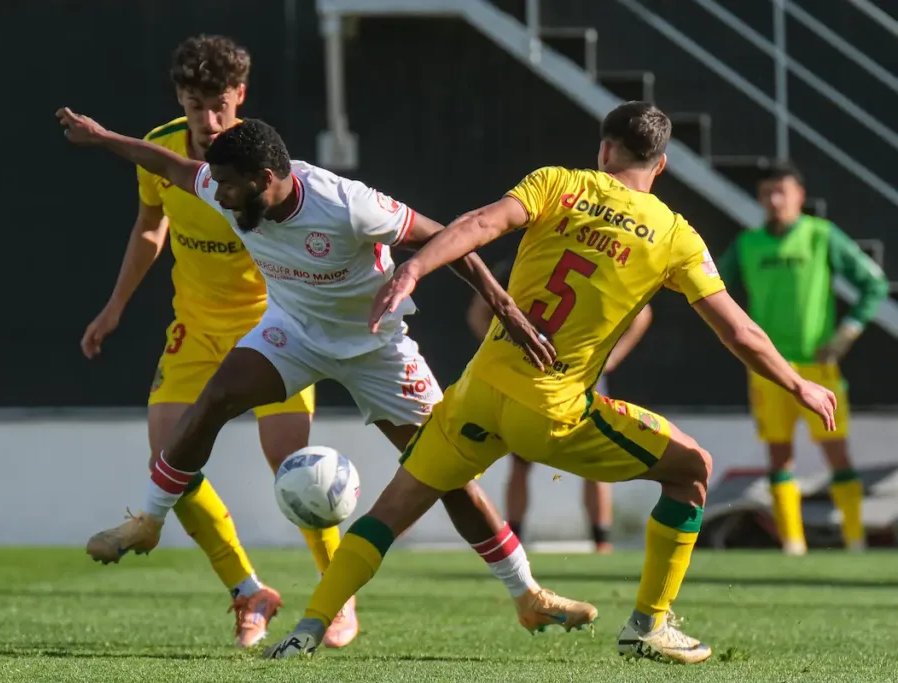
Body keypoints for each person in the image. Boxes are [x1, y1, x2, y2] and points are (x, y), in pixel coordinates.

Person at [262, 101, 837, 665]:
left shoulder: (556, 183)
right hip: (551, 412)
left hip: (477, 393)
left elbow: (478, 225)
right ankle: (648, 624)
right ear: (660, 166)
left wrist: (414, 267)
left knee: (387, 514)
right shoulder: (674, 236)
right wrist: (797, 385)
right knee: (693, 471)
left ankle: (308, 629)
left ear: (605, 150)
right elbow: (739, 332)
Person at [58, 110, 583, 635]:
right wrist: (104, 138)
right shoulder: (225, 184)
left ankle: (527, 594)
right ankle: (150, 520)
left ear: (266, 179)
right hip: (294, 332)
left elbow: (446, 238)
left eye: (228, 186)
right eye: (215, 183)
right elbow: (168, 166)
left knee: (448, 474)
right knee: (214, 397)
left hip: (375, 345)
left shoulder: (344, 203)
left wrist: (507, 310)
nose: (218, 196)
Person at [76, 35, 330, 648]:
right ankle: (249, 593)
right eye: (195, 105)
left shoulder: (262, 158)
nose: (209, 120)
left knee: (289, 460)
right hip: (195, 328)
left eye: (219, 104)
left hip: (274, 325)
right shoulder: (159, 152)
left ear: (240, 95)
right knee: (168, 459)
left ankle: (334, 591)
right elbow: (149, 227)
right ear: (180, 100)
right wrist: (114, 307)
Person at [718, 162, 888, 555]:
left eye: (782, 192)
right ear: (760, 198)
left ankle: (855, 539)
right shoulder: (747, 244)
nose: (775, 200)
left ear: (800, 196)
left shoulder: (820, 236)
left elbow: (873, 284)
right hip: (767, 368)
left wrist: (846, 334)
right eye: (767, 194)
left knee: (836, 452)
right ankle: (793, 545)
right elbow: (714, 289)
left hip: (819, 367)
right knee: (779, 455)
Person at [468, 260, 653, 552]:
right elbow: (478, 312)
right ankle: (514, 539)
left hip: (577, 377)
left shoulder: (594, 261)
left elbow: (642, 313)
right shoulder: (521, 262)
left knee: (592, 460)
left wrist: (612, 358)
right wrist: (506, 345)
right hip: (534, 375)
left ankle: (600, 541)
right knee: (520, 460)